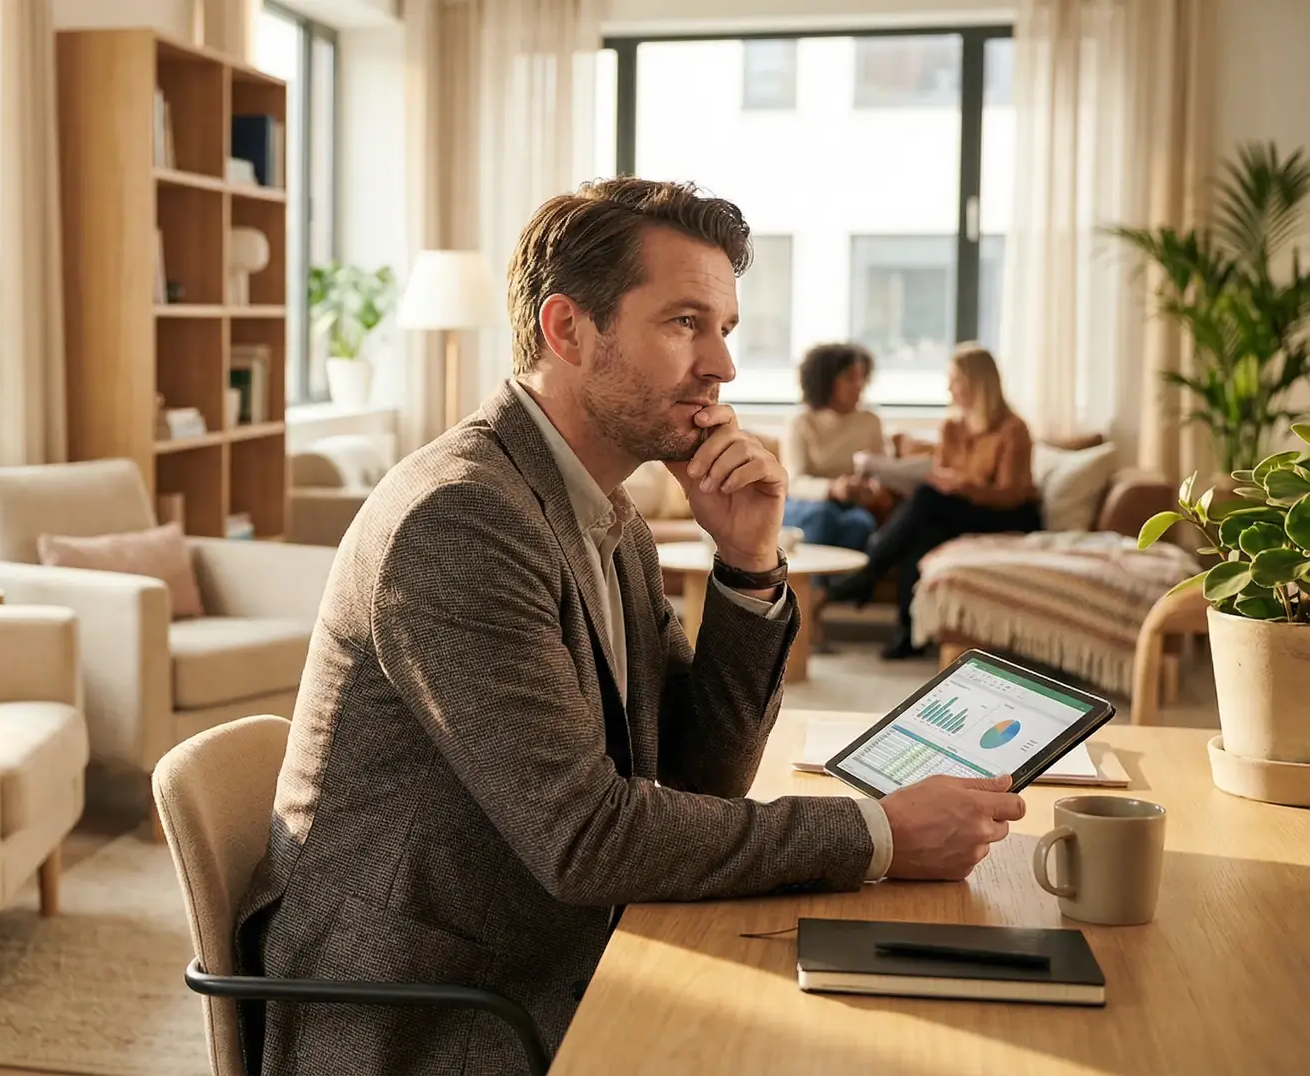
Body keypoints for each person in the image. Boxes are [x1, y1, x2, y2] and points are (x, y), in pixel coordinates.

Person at [233, 178, 1026, 1075]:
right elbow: (586, 838)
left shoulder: (605, 512)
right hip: (436, 1008)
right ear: (568, 330)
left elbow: (698, 778)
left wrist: (746, 565)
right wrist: (877, 834)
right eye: (685, 322)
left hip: (554, 942)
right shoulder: (459, 519)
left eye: (724, 327)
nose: (723, 364)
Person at [825, 344, 1043, 659]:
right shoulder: (952, 427)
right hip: (961, 510)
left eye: (954, 379)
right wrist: (947, 482)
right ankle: (909, 634)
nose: (948, 387)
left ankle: (867, 573)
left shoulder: (1013, 429)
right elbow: (941, 473)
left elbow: (1011, 494)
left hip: (1010, 514)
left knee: (927, 500)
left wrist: (964, 485)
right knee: (923, 534)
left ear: (976, 383)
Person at [780, 342, 892, 550]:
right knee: (822, 515)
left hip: (849, 505)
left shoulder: (870, 421)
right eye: (850, 378)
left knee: (860, 523)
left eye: (862, 377)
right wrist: (833, 489)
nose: (859, 385)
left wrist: (868, 489)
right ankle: (814, 582)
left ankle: (842, 584)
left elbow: (884, 472)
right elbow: (793, 483)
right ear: (826, 381)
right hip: (804, 503)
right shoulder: (801, 422)